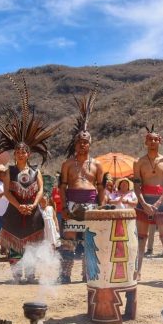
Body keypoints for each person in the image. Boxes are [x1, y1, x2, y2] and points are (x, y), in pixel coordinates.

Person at [0, 77, 58, 283]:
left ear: (28, 154)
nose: (20, 153)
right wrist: (19, 206)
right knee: (14, 243)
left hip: (33, 211)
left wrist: (33, 205)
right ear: (15, 154)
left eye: (23, 151)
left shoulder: (36, 170)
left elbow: (40, 190)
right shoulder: (10, 170)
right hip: (14, 210)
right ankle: (17, 274)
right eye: (17, 150)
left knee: (34, 243)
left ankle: (31, 273)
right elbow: (8, 191)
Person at [58, 91, 105, 284]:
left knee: (89, 239)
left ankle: (88, 273)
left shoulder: (97, 165)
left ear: (90, 144)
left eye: (86, 142)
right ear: (75, 144)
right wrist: (63, 207)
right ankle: (66, 274)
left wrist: (101, 206)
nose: (82, 144)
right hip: (71, 203)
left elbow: (101, 187)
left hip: (92, 204)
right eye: (79, 142)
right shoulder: (67, 164)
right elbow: (62, 186)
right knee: (69, 240)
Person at [133, 127, 163, 283]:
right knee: (141, 238)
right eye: (149, 139)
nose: (152, 142)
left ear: (160, 141)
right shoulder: (139, 162)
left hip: (161, 202)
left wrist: (159, 203)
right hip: (143, 202)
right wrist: (144, 203)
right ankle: (137, 273)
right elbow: (137, 185)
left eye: (155, 139)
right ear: (146, 142)